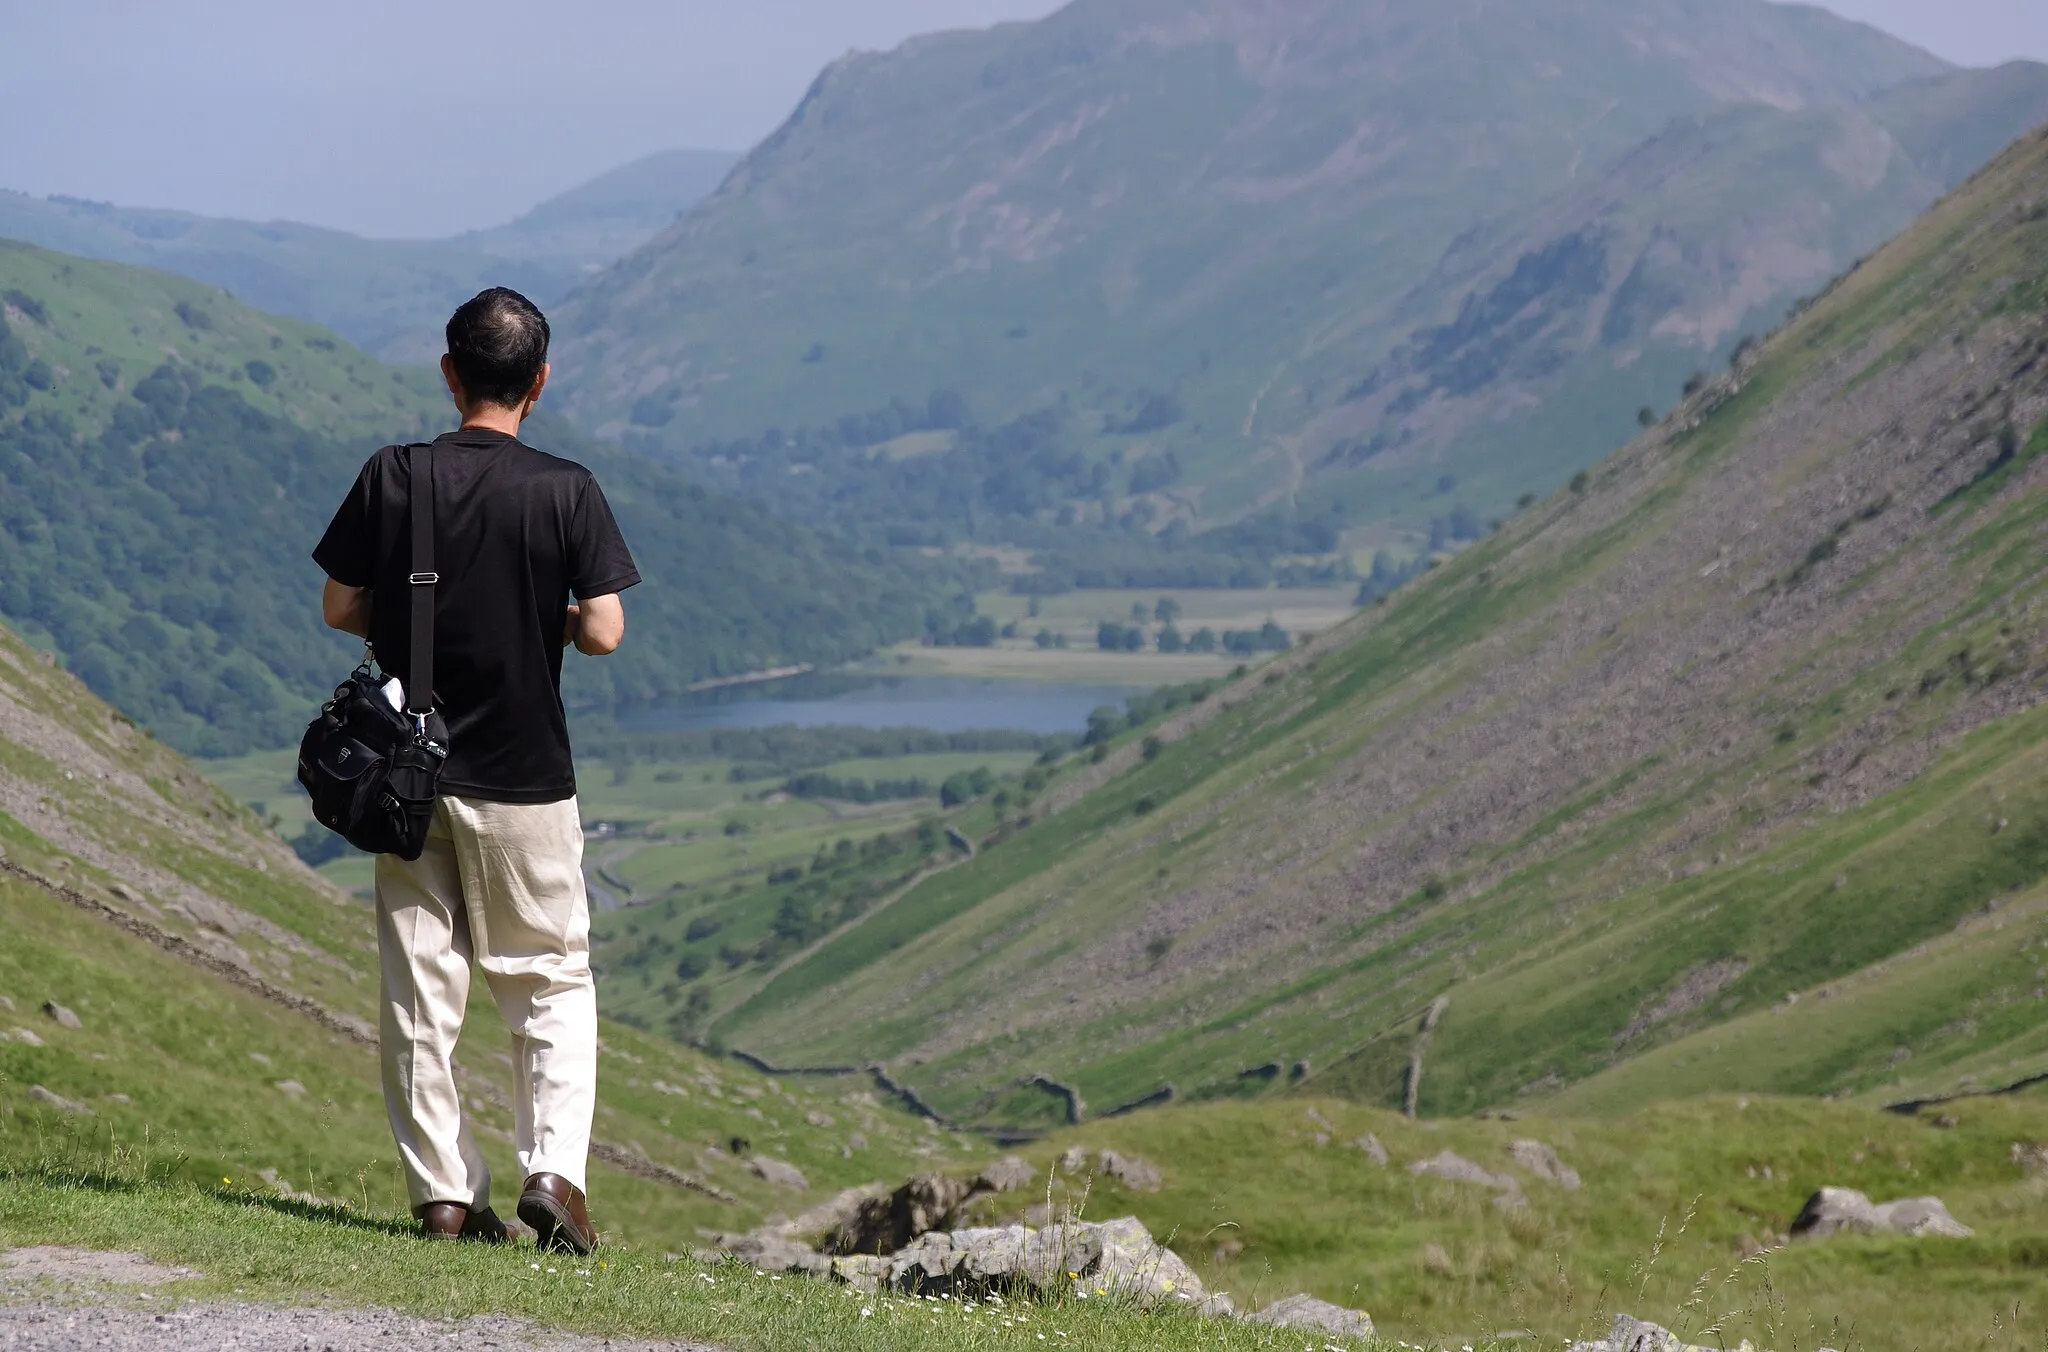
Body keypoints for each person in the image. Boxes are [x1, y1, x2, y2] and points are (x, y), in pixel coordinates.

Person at [312, 287, 639, 1252]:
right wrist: (555, 620)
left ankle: (446, 1198)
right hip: (526, 776)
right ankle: (553, 1175)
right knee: (547, 981)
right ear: (539, 382)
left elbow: (339, 606)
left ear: (450, 374)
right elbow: (608, 632)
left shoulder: (395, 474)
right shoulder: (565, 488)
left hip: (409, 775)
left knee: (421, 990)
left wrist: (416, 623)